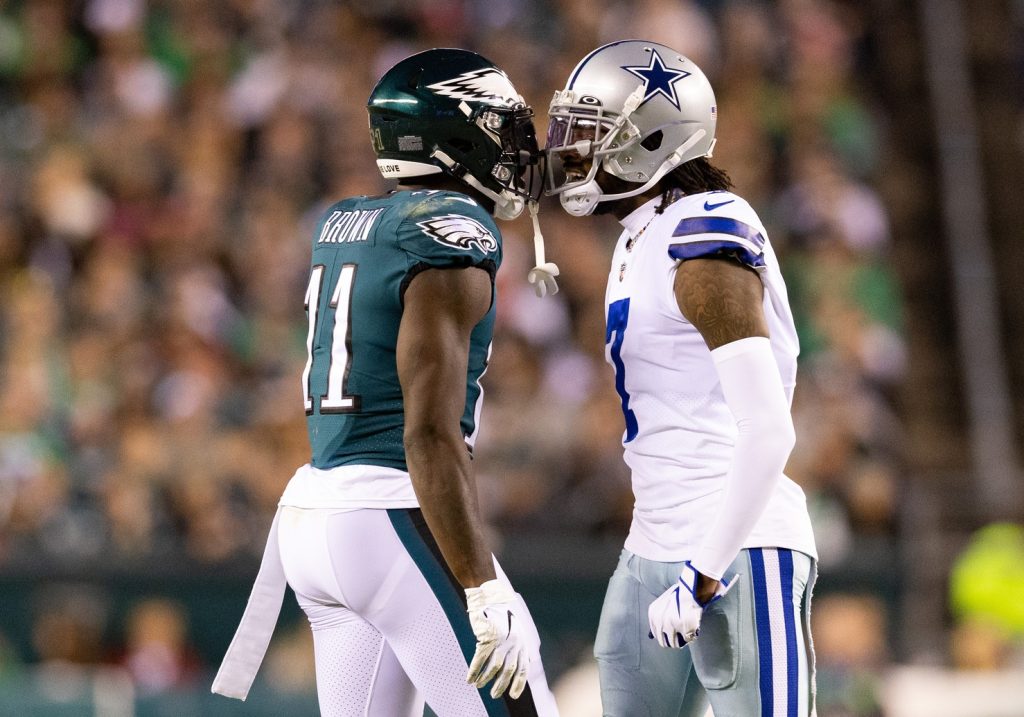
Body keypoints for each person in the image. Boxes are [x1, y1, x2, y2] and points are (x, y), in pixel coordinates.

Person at [212, 48, 559, 716]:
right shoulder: (449, 234)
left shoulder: (348, 221)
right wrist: (483, 587)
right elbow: (428, 432)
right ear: (451, 135)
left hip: (316, 518)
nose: (516, 147)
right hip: (391, 513)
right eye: (499, 128)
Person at [543, 40, 818, 716]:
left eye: (592, 134)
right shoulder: (642, 231)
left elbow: (768, 431)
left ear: (651, 137)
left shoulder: (702, 232)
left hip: (737, 548)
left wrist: (703, 572)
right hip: (653, 539)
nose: (571, 151)